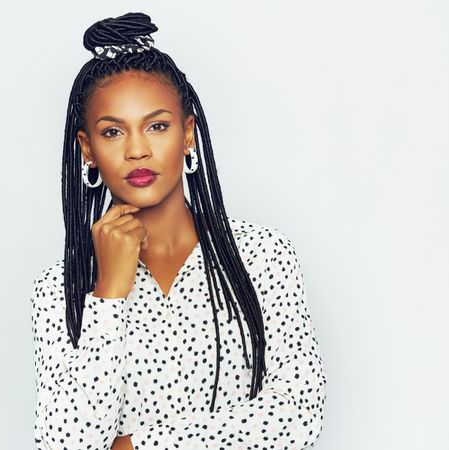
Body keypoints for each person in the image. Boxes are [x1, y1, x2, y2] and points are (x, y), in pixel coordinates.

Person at [29, 12, 327, 450]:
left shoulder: (263, 256)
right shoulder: (59, 289)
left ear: (187, 134)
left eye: (157, 126)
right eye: (113, 132)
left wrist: (137, 446)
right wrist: (109, 292)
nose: (137, 150)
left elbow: (298, 415)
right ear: (88, 149)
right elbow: (63, 444)